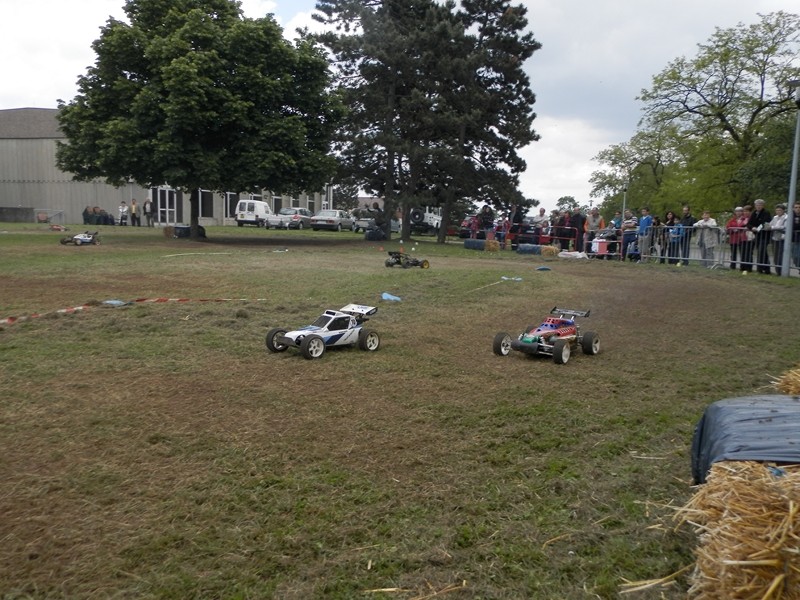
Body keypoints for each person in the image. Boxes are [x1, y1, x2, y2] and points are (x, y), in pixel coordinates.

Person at [747, 199, 771, 274]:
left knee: (762, 251)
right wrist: (752, 228)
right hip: (757, 235)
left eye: (760, 205)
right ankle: (762, 268)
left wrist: (757, 229)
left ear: (763, 205)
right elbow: (749, 223)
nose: (758, 206)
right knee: (761, 251)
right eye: (757, 205)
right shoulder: (754, 213)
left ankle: (764, 268)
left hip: (764, 235)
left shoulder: (766, 213)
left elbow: (765, 222)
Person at [769, 204, 787, 274]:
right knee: (775, 255)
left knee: (780, 255)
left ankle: (781, 271)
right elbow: (770, 224)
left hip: (782, 238)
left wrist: (773, 228)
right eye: (777, 210)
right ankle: (777, 271)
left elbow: (784, 227)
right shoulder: (775, 217)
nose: (778, 211)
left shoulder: (786, 217)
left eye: (780, 210)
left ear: (783, 210)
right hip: (775, 238)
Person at [739, 205, 754, 274]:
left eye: (747, 211)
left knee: (748, 253)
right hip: (742, 238)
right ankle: (742, 267)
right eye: (744, 211)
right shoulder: (742, 218)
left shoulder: (752, 218)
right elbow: (739, 225)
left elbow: (750, 225)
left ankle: (748, 267)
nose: (745, 213)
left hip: (750, 238)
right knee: (742, 252)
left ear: (750, 212)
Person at [793, 203, 800, 268]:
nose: (798, 209)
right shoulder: (790, 216)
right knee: (795, 257)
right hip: (793, 239)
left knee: (798, 256)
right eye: (796, 207)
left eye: (799, 207)